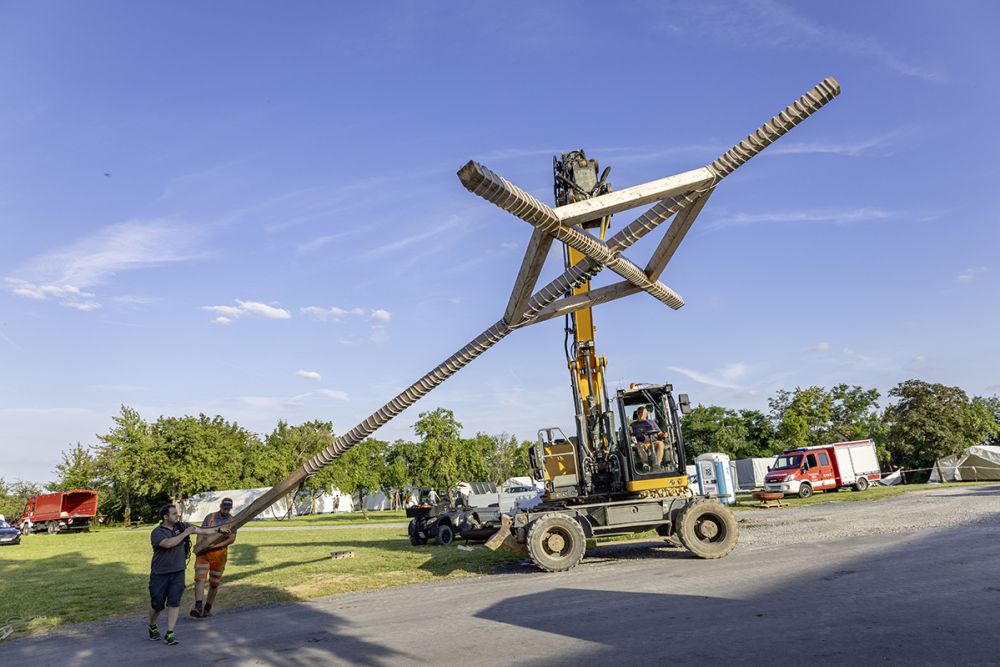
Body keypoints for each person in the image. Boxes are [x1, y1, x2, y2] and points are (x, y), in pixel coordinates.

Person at [148, 504, 229, 645]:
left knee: (174, 602)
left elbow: (201, 530)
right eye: (174, 514)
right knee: (157, 605)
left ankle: (170, 633)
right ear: (165, 517)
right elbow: (168, 544)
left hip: (178, 572)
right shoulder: (157, 532)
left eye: (177, 513)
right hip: (160, 574)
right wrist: (185, 533)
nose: (177, 515)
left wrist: (219, 530)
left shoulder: (182, 526)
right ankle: (152, 625)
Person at [190, 498, 238, 619]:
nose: (226, 510)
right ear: (220, 505)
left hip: (219, 555)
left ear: (230, 508)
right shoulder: (210, 517)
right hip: (204, 554)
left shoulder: (233, 521)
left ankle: (207, 608)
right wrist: (199, 547)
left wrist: (215, 546)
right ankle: (198, 607)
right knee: (200, 579)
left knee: (214, 583)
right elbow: (200, 532)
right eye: (224, 508)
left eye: (228, 509)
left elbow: (231, 539)